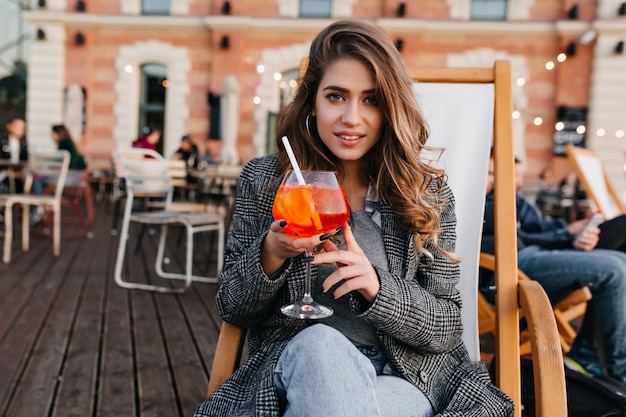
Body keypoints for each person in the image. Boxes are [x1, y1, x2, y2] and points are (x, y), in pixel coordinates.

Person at [195, 20, 513, 417]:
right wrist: (270, 253)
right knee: (322, 345)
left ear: (390, 106)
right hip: (301, 366)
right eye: (336, 96)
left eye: (371, 100)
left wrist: (380, 289)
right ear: (312, 101)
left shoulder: (426, 195)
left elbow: (447, 325)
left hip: (406, 378)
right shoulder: (266, 181)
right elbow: (232, 306)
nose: (351, 118)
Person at [482, 153, 626, 388]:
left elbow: (530, 231)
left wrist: (568, 233)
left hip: (530, 255)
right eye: (491, 173)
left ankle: (588, 357)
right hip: (511, 267)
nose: (508, 181)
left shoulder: (508, 198)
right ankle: (617, 372)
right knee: (615, 270)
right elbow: (520, 237)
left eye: (514, 176)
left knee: (620, 263)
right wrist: (567, 235)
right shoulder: (480, 202)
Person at [0, 116, 28, 192]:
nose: (21, 130)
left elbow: (25, 160)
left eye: (23, 128)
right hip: (5, 172)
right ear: (9, 126)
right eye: (18, 127)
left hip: (18, 173)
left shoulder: (24, 144)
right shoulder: (3, 142)